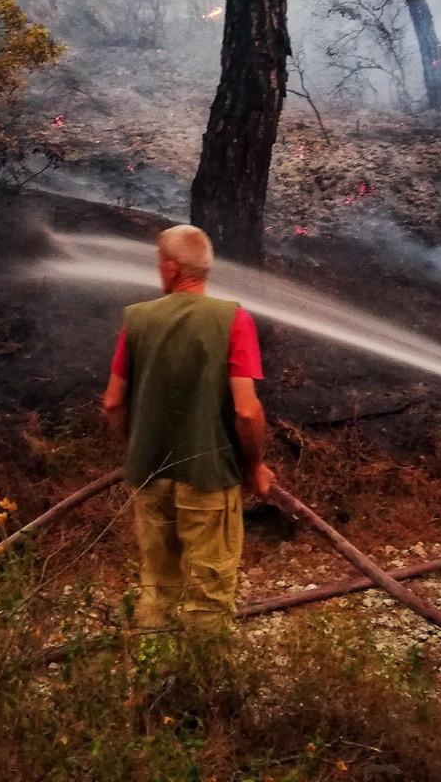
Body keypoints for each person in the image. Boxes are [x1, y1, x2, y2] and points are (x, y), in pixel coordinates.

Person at [102, 224, 275, 629]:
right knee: (209, 593)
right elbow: (247, 412)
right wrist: (254, 467)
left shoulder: (137, 319)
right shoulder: (233, 320)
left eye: (160, 263)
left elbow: (112, 402)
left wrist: (138, 444)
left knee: (158, 586)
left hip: (149, 474)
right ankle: (202, 685)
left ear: (174, 268)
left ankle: (151, 679)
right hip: (209, 478)